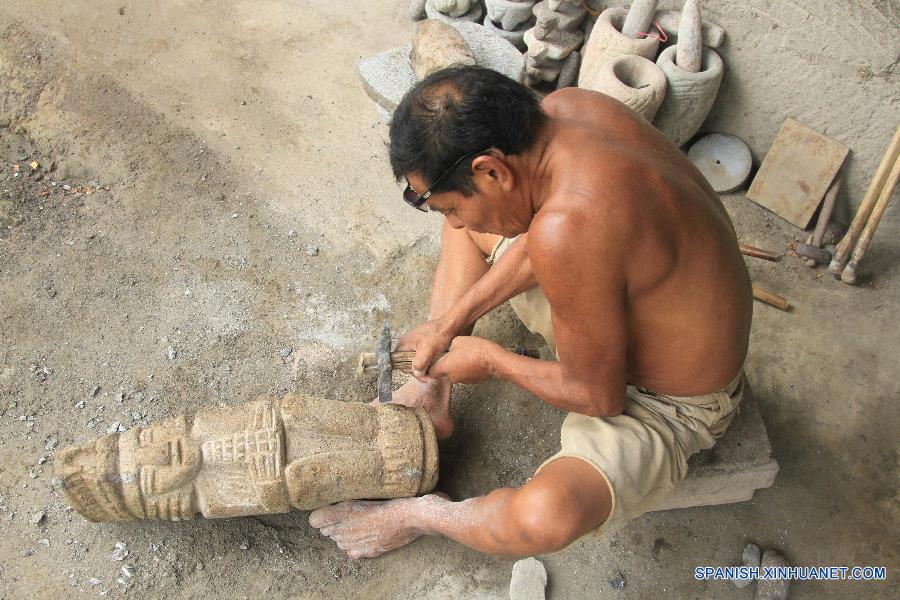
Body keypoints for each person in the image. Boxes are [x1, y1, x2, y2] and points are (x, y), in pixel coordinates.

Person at [310, 65, 752, 558]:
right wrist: (447, 326)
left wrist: (492, 361)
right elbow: (540, 240)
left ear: (491, 170)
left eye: (447, 206)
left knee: (543, 518)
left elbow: (596, 395)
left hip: (670, 403)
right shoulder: (570, 110)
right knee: (478, 227)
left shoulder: (571, 229)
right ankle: (430, 389)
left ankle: (423, 515)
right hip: (610, 280)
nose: (451, 223)